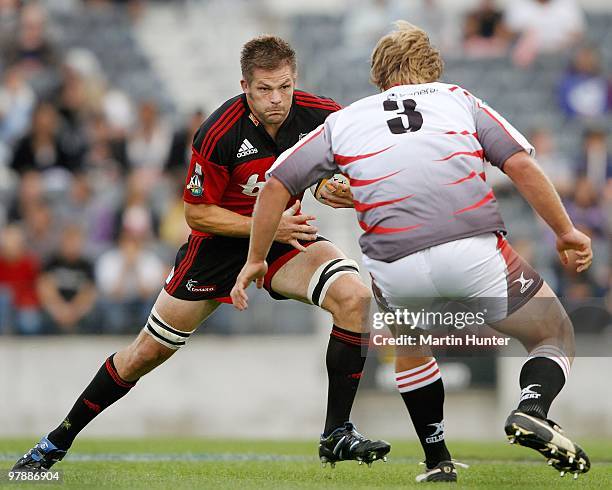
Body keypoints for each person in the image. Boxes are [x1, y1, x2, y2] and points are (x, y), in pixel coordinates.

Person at [232, 21, 593, 483]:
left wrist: (257, 259)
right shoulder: (458, 98)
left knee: (409, 347)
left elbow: (277, 184)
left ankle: (437, 461)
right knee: (552, 330)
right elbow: (520, 163)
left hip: (394, 266)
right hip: (470, 249)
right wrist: (565, 232)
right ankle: (533, 407)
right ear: (433, 68)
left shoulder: (345, 120)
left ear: (379, 76)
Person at [12, 36, 389, 472]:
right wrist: (264, 225)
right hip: (217, 252)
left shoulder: (322, 114)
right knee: (144, 354)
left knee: (354, 298)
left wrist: (330, 188)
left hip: (284, 242)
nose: (277, 99)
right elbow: (197, 213)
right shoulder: (218, 131)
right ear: (244, 85)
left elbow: (323, 173)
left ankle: (336, 432)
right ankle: (56, 440)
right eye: (264, 89)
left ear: (295, 80)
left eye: (284, 87)